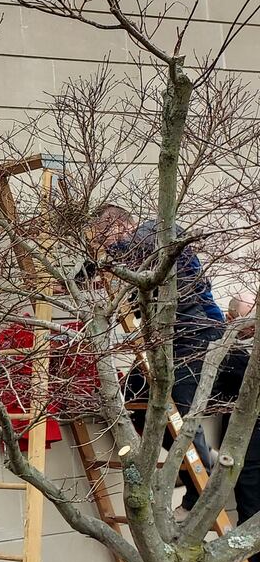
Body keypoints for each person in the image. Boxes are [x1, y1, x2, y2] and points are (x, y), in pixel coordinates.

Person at [90, 203, 260, 524]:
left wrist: (105, 260)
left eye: (104, 237)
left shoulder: (156, 231)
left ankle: (198, 490)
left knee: (183, 414)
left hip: (196, 337)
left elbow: (142, 245)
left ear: (121, 224)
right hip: (171, 345)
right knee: (134, 393)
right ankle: (192, 462)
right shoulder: (134, 255)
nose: (105, 246)